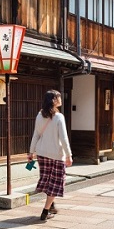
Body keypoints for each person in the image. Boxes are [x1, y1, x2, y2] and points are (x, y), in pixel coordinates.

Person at [28, 89, 73, 221]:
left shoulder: (39, 115)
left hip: (42, 153)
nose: (60, 99)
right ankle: (45, 211)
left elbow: (36, 134)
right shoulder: (59, 117)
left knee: (47, 180)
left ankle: (51, 205)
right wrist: (69, 155)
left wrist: (31, 152)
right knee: (55, 182)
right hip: (56, 154)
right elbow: (64, 138)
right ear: (53, 100)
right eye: (58, 97)